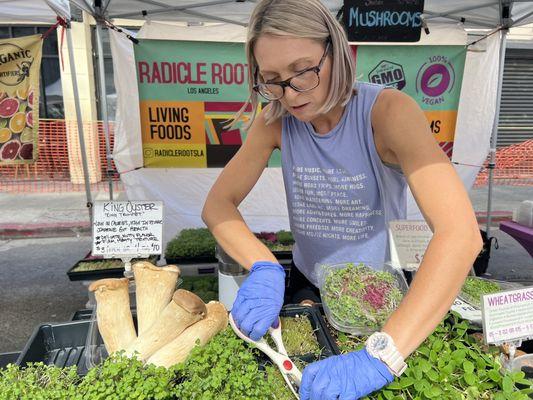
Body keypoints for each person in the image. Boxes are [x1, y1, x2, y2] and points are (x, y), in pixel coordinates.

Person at [202, 0, 482, 398]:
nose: (291, 93)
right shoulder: (274, 120)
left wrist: (383, 356)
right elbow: (218, 204)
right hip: (309, 283)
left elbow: (460, 235)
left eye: (302, 71)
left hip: (378, 292)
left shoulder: (387, 113)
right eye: (272, 79)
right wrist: (263, 265)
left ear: (337, 51)